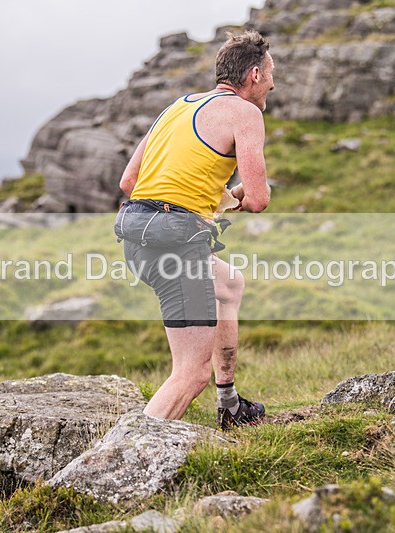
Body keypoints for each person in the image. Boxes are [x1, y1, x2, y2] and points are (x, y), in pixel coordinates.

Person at [117, 30, 274, 430]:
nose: (273, 84)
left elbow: (129, 182)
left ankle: (230, 405)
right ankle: (119, 462)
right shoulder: (245, 113)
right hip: (175, 245)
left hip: (139, 234)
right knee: (190, 374)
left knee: (229, 285)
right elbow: (258, 200)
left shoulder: (176, 107)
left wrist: (209, 196)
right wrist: (243, 191)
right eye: (271, 75)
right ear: (254, 75)